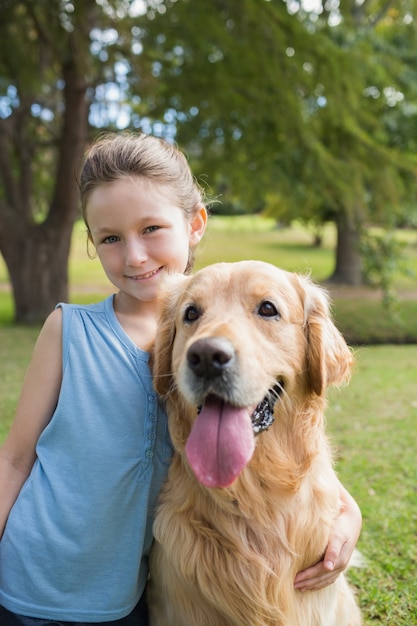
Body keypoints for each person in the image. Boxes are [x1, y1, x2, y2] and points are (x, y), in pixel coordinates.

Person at [0, 132, 361, 625]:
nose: (135, 256)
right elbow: (14, 459)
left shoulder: (201, 312)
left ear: (194, 224)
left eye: (151, 228)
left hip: (120, 602)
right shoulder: (73, 330)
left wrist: (347, 513)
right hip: (34, 578)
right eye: (109, 238)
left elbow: (299, 446)